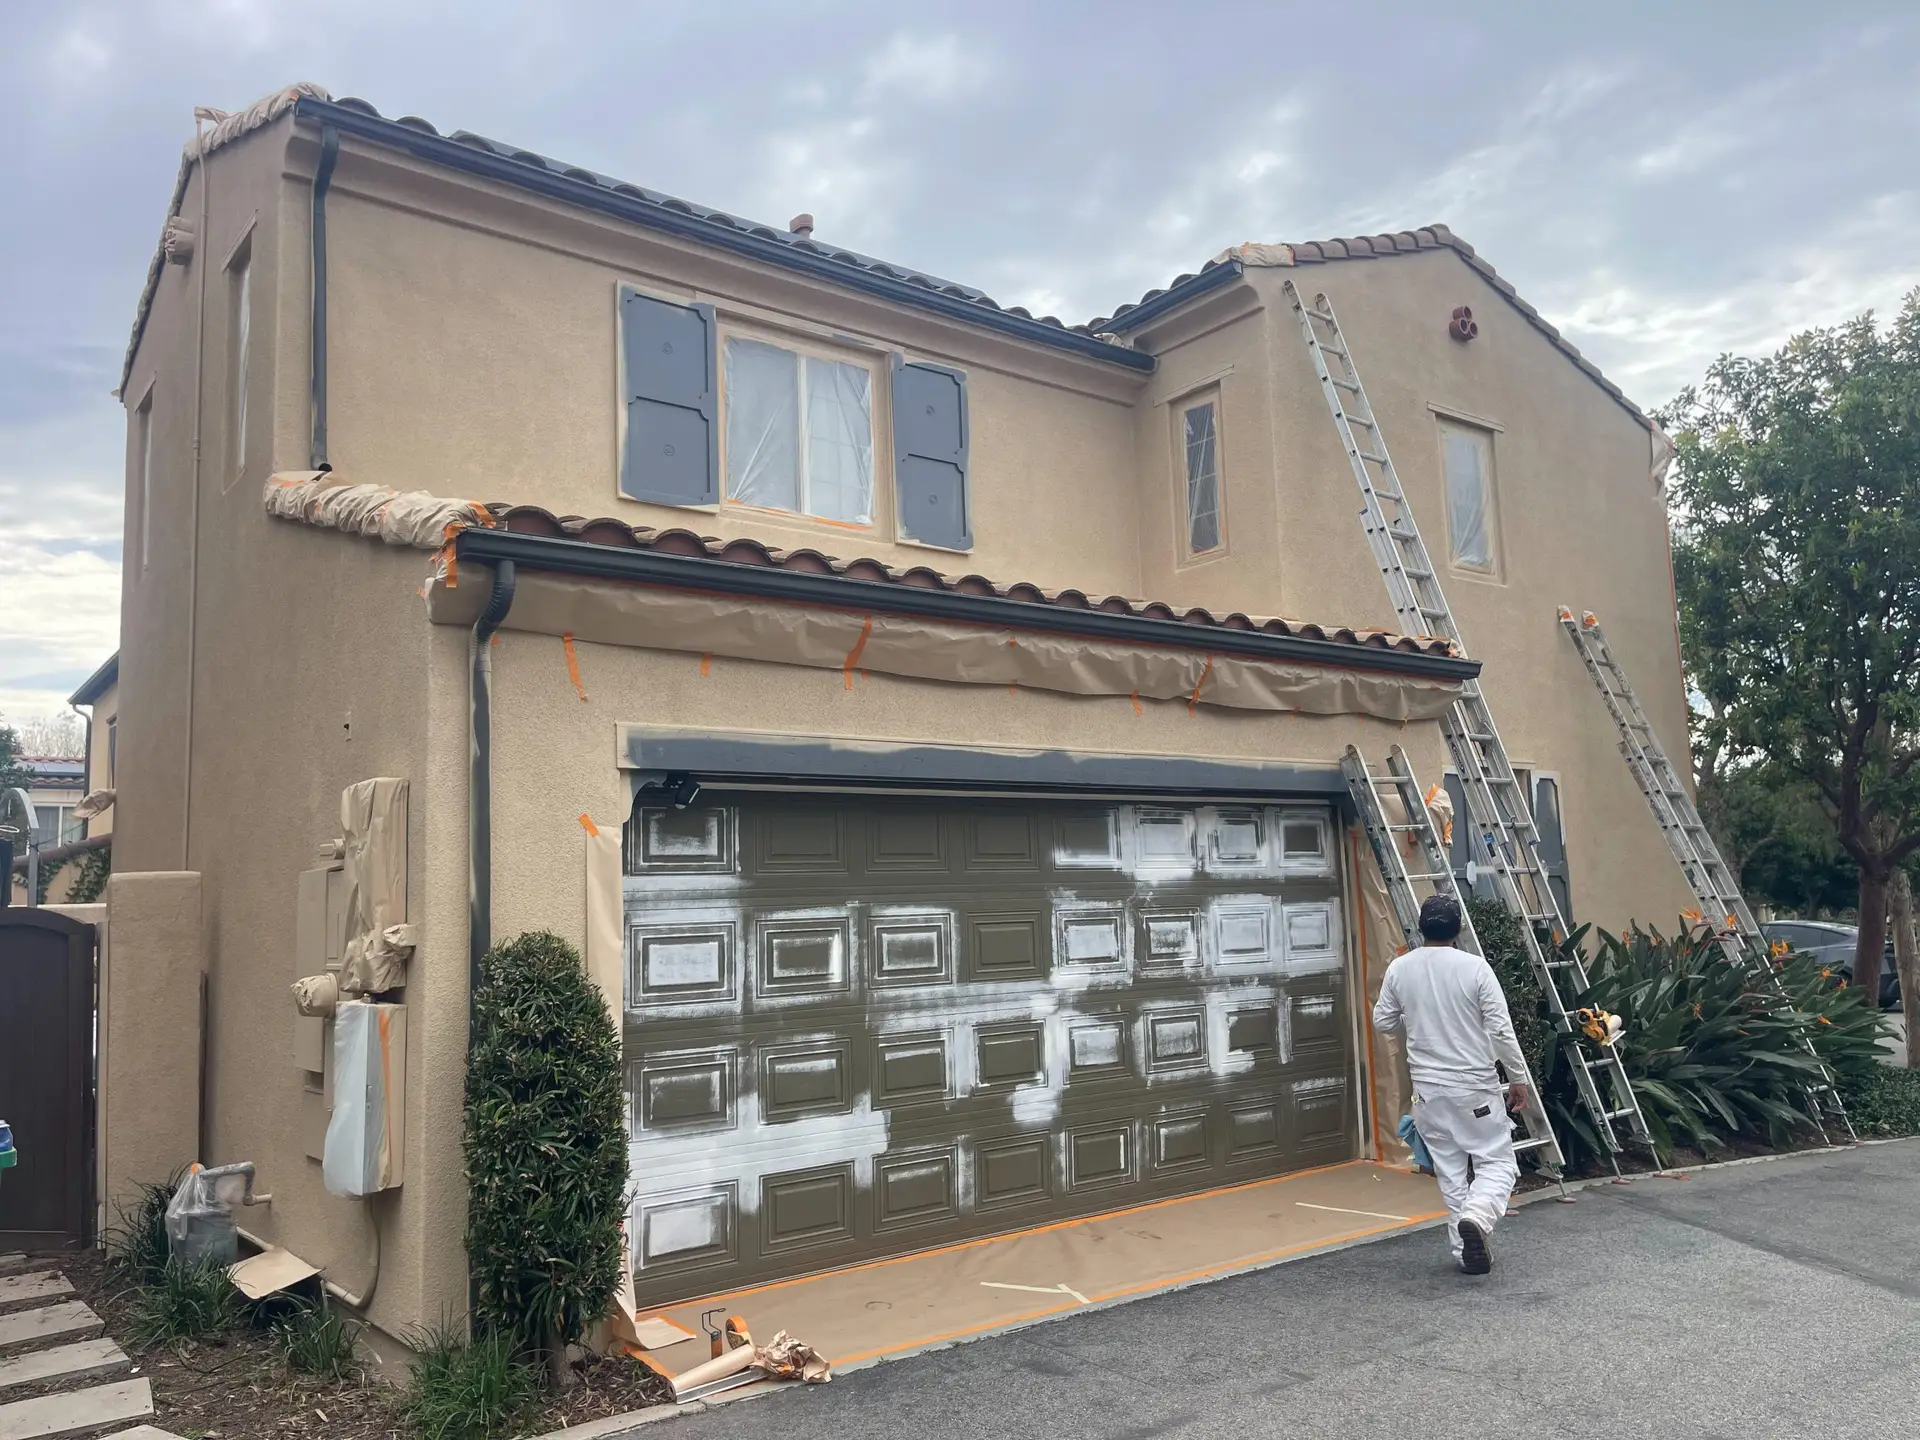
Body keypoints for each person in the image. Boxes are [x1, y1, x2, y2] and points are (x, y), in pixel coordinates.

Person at [1372, 893, 1528, 1275]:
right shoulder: (1475, 969)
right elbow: (1501, 1031)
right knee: (1497, 1163)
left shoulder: (1400, 968)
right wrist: (1518, 1078)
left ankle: (1465, 1253)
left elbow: (1382, 1022)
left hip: (1427, 1093)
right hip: (1474, 1087)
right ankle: (1477, 1217)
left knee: (1451, 1174)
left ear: (1420, 929)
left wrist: (1419, 1021)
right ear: (1458, 929)